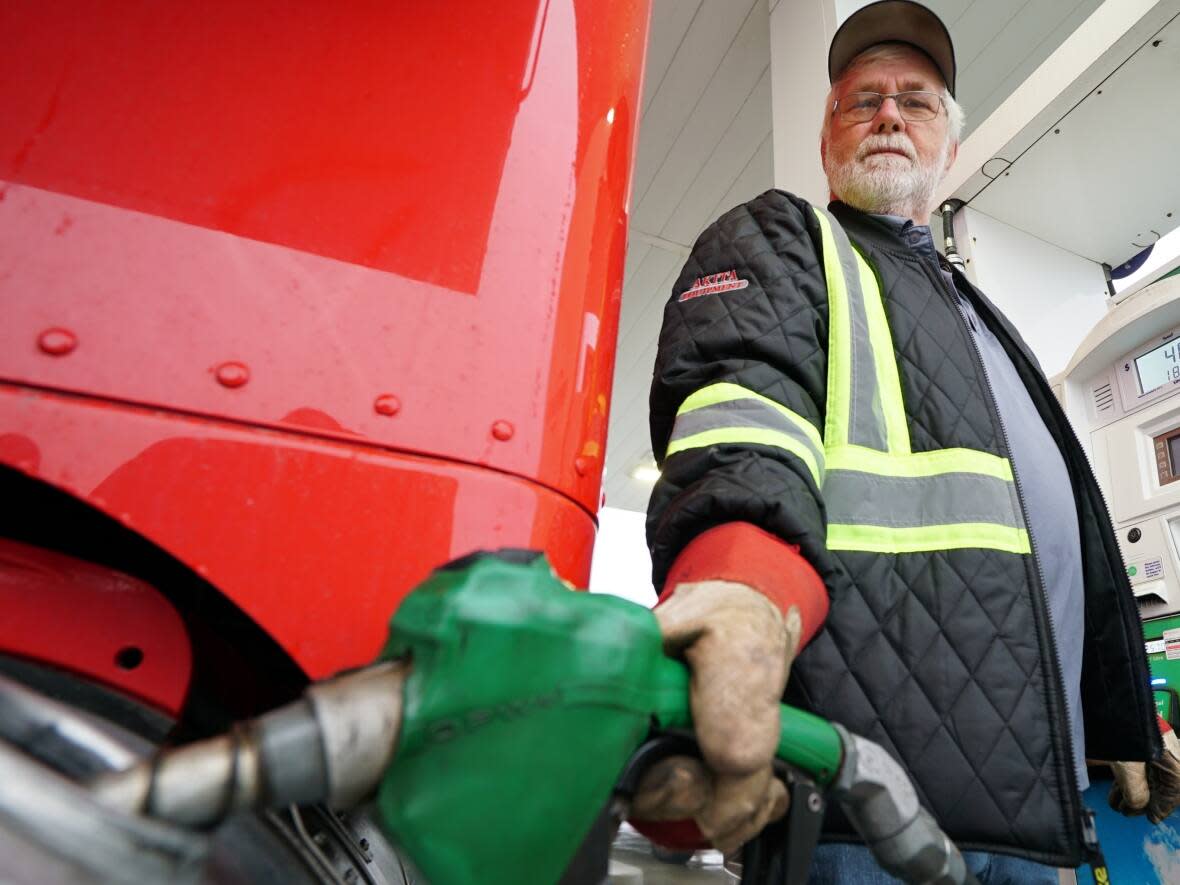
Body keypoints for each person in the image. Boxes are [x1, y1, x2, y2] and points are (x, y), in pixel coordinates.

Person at [630, 1, 1180, 881]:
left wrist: (1119, 722)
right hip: (869, 821)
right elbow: (742, 424)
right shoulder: (784, 240)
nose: (889, 113)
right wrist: (740, 600)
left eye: (916, 101)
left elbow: (1063, 545)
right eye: (863, 99)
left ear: (949, 149)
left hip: (1045, 815)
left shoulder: (982, 320)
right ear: (827, 137)